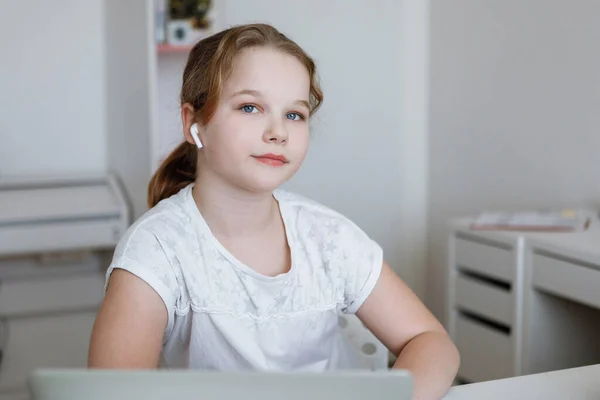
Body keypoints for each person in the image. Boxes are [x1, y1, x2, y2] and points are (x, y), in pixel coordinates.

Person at [88, 23, 459, 400]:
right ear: (193, 122)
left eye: (294, 115)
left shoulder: (328, 237)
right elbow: (112, 393)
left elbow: (431, 341)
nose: (278, 131)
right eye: (250, 107)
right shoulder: (156, 251)